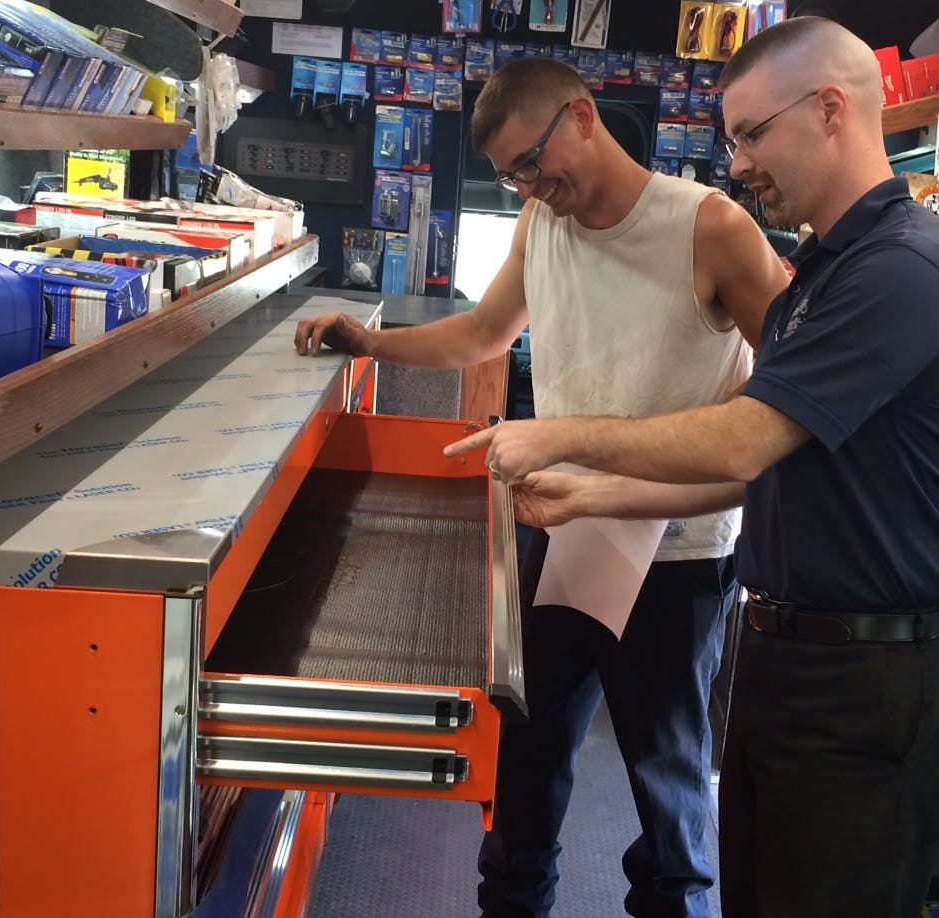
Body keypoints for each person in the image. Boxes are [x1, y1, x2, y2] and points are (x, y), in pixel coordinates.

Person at [445, 18, 939, 917]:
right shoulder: (820, 274)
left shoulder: (904, 273)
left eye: (751, 133)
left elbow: (746, 437)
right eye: (730, 138)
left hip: (865, 684)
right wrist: (601, 492)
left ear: (829, 111)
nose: (736, 162)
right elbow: (774, 469)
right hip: (782, 653)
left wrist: (561, 436)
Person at [294, 58, 788, 918]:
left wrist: (704, 475)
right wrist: (368, 345)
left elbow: (786, 392)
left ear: (583, 116)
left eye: (532, 161)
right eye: (510, 174)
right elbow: (485, 332)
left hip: (673, 559)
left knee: (665, 784)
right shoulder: (538, 224)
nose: (527, 183)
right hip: (563, 531)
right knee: (527, 765)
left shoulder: (710, 228)